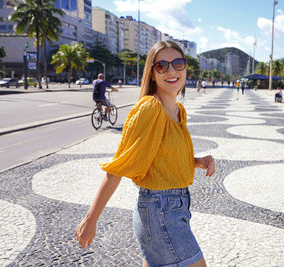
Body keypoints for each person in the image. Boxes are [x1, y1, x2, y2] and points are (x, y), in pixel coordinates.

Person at [75, 41, 215, 267]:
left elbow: (164, 158)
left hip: (174, 208)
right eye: (162, 66)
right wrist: (91, 219)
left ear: (185, 68)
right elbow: (119, 167)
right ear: (152, 74)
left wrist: (198, 161)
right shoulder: (150, 108)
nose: (172, 71)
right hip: (160, 212)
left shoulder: (178, 111)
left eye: (178, 63)